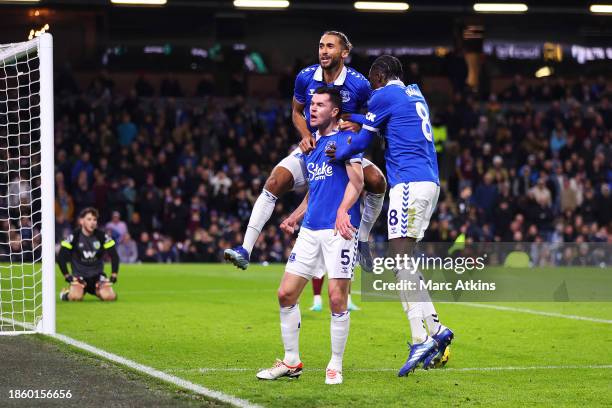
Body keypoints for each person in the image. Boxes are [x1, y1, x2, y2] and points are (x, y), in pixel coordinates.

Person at [225, 30, 386, 312]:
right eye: (321, 46)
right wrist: (304, 134)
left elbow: (373, 119)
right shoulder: (305, 77)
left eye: (330, 46)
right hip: (312, 149)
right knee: (276, 179)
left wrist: (356, 130)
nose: (323, 51)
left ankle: (362, 242)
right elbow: (296, 112)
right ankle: (245, 249)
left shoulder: (359, 84)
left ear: (344, 53)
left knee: (376, 180)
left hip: (343, 151)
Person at [327, 55, 454, 376]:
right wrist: (359, 117)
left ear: (380, 76)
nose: (371, 89)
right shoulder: (412, 92)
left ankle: (418, 338)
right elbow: (381, 118)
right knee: (406, 262)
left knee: (399, 262)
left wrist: (338, 153)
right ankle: (437, 330)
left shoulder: (383, 95)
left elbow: (367, 138)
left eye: (372, 82)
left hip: (409, 182)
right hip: (429, 182)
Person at [256, 88, 363, 385]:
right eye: (311, 104)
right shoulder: (311, 145)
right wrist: (296, 215)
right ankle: (291, 362)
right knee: (285, 294)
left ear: (334, 111)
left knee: (336, 297)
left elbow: (358, 182)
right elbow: (317, 189)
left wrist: (343, 210)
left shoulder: (347, 140)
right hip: (311, 229)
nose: (311, 109)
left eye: (319, 105)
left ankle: (335, 364)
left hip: (339, 229)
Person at [58, 207, 119, 302]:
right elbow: (61, 256)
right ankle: (65, 293)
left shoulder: (102, 236)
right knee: (75, 297)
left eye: (94, 220)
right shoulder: (74, 236)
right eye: (89, 219)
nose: (92, 222)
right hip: (79, 277)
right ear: (81, 221)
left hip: (97, 277)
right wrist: (66, 275)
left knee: (109, 297)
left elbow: (114, 255)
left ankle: (101, 291)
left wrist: (114, 274)